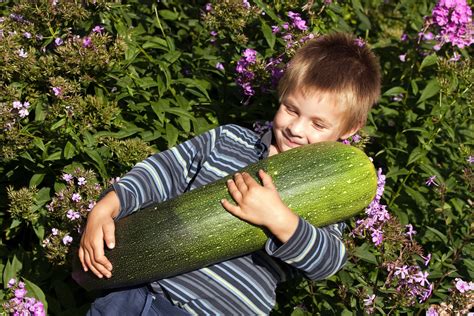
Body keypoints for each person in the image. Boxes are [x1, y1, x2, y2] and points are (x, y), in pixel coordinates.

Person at [79, 32, 381, 315]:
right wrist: (109, 205)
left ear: (349, 129)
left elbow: (328, 260)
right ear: (282, 93)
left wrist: (280, 219)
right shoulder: (229, 140)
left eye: (318, 124)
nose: (296, 129)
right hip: (131, 297)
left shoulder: (328, 190)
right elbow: (164, 170)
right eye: (291, 109)